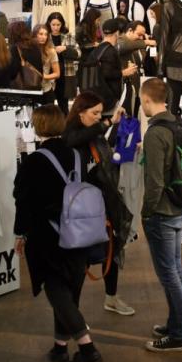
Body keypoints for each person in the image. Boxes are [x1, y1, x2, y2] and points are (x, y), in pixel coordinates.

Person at [13, 105, 102, 362]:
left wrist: (21, 233)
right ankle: (60, 346)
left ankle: (88, 349)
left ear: (38, 126)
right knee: (70, 291)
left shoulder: (33, 161)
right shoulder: (76, 155)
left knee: (56, 292)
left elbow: (23, 200)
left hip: (48, 236)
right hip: (79, 233)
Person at [64, 92, 135, 317]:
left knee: (111, 251)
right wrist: (106, 122)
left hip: (105, 203)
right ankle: (72, 311)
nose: (97, 117)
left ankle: (111, 297)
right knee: (79, 261)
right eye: (94, 113)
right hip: (82, 210)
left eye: (99, 113)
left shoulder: (92, 133)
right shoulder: (71, 136)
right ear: (80, 112)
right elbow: (73, 140)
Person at [140, 78, 182, 352]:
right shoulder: (179, 123)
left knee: (169, 273)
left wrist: (146, 212)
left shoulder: (155, 134)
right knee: (176, 268)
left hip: (161, 211)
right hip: (180, 207)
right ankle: (175, 324)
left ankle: (179, 334)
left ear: (147, 100)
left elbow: (155, 182)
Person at [90, 18, 136, 116]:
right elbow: (106, 73)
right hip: (108, 99)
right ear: (117, 33)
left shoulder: (98, 49)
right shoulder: (110, 51)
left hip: (96, 96)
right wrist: (124, 72)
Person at [117, 20, 155, 116]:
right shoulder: (121, 41)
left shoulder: (137, 44)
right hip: (125, 87)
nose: (141, 38)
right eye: (139, 34)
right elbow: (123, 46)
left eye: (143, 35)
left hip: (137, 86)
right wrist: (146, 42)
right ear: (130, 30)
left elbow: (142, 61)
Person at [47, 13, 79, 114]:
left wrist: (65, 48)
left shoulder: (68, 36)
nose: (55, 27)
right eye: (53, 24)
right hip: (49, 74)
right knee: (49, 104)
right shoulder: (45, 36)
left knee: (63, 104)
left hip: (65, 74)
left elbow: (78, 53)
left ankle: (65, 126)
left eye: (58, 24)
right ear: (49, 24)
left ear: (62, 24)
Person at [7, 20, 43, 90]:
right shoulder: (35, 45)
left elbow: (13, 73)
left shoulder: (15, 48)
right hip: (37, 84)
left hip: (23, 89)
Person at [33, 23, 61, 101]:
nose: (43, 37)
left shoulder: (51, 51)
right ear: (35, 35)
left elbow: (57, 73)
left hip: (46, 89)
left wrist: (44, 76)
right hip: (32, 88)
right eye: (41, 34)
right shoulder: (30, 50)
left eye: (45, 34)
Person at [77, 8, 102, 93]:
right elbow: (80, 45)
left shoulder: (91, 27)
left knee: (91, 85)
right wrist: (94, 45)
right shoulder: (83, 27)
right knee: (86, 86)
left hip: (90, 59)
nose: (99, 22)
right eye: (98, 19)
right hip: (84, 60)